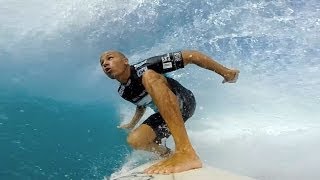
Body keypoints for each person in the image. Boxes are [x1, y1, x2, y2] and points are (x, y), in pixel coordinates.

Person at [100, 50, 239, 174]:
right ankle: (168, 155)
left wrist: (226, 72)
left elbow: (192, 56)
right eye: (102, 63)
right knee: (135, 140)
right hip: (165, 115)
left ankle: (185, 152)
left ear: (125, 61)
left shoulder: (147, 66)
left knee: (149, 76)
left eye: (110, 58)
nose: (105, 63)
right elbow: (141, 105)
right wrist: (131, 124)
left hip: (184, 102)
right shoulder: (123, 92)